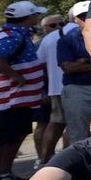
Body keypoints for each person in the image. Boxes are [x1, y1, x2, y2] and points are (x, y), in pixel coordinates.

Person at [0, 1, 49, 180]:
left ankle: (4, 175)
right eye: (36, 15)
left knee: (13, 136)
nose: (37, 18)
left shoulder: (13, 34)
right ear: (29, 17)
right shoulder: (13, 36)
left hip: (16, 99)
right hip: (6, 99)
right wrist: (15, 76)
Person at [56, 1, 91, 144]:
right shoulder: (68, 39)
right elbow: (68, 67)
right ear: (74, 20)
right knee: (79, 134)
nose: (87, 19)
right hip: (79, 89)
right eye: (83, 17)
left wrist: (84, 61)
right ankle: (81, 164)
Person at [33, 14, 68, 163]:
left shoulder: (70, 37)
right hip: (47, 88)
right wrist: (41, 91)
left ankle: (59, 159)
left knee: (65, 124)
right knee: (45, 124)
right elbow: (36, 69)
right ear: (44, 29)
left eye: (61, 24)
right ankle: (42, 158)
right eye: (53, 26)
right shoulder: (39, 45)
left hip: (61, 87)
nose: (58, 27)